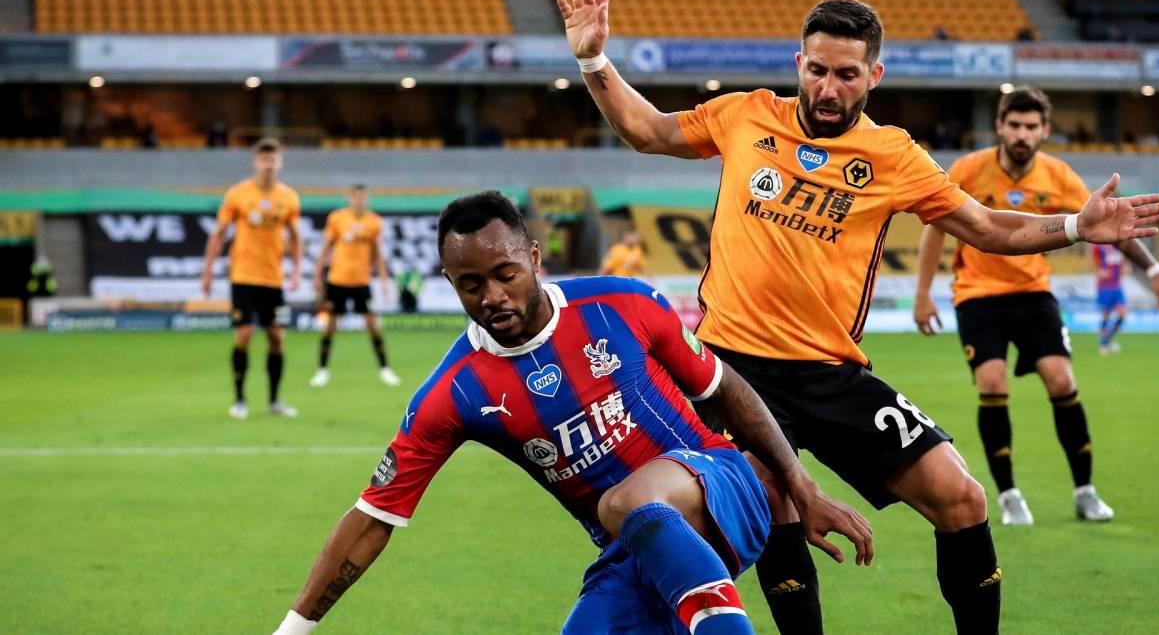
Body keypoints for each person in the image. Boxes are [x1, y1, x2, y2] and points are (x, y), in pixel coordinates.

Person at [557, 0, 1159, 633]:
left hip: (832, 373)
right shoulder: (745, 115)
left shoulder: (892, 155)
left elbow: (989, 226)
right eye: (818, 70)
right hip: (733, 373)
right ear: (799, 63)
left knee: (960, 495)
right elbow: (647, 130)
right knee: (774, 501)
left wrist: (1076, 225)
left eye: (847, 75)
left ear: (873, 75)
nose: (829, 88)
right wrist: (593, 60)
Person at [270, 192, 873, 635]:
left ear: (534, 257)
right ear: (451, 283)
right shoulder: (452, 393)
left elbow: (725, 389)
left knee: (622, 503)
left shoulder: (622, 304)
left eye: (505, 274)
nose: (492, 297)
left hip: (722, 486)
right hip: (633, 552)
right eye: (471, 285)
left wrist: (800, 486)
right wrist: (292, 628)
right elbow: (373, 517)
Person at [913, 86, 1159, 527]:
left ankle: (1085, 490)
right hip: (977, 294)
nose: (1022, 134)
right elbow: (935, 228)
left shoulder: (1058, 176)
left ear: (1044, 130)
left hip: (1032, 292)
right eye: (1014, 125)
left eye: (1031, 126)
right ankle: (1008, 495)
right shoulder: (968, 169)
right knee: (992, 382)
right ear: (1000, 126)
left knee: (1062, 380)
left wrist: (1155, 270)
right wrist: (923, 293)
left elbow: (1104, 225)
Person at [201, 138, 301, 419]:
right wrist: (208, 270)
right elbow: (219, 232)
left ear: (279, 163)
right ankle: (239, 400)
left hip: (273, 280)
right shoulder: (238, 194)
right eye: (264, 160)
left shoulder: (289, 197)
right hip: (243, 276)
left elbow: (295, 237)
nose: (268, 165)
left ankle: (274, 400)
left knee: (277, 338)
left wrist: (295, 271)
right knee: (244, 334)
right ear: (256, 163)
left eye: (273, 160)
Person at [310, 184, 401, 388]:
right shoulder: (337, 218)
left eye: (363, 197)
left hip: (361, 282)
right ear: (350, 198)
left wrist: (384, 282)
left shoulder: (373, 222)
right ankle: (322, 370)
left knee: (372, 326)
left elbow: (377, 255)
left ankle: (385, 369)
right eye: (356, 197)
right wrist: (317, 275)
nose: (359, 201)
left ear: (367, 199)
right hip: (337, 281)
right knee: (330, 326)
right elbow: (325, 249)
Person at [1093, 243, 1126, 355]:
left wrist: (1125, 267)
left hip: (1118, 287)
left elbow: (1122, 263)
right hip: (1105, 287)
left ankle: (1108, 339)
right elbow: (1095, 265)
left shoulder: (1118, 245)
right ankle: (1103, 344)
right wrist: (1100, 272)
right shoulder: (1099, 247)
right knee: (1106, 315)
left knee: (1122, 315)